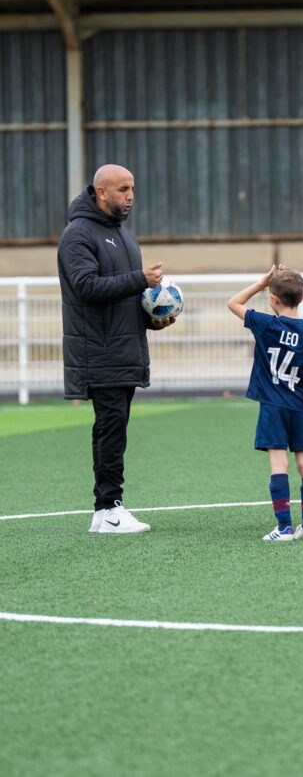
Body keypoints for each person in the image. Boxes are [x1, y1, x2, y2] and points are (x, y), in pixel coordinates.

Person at [57, 164, 174, 535]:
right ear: (101, 192)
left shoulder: (123, 233)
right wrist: (141, 278)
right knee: (110, 427)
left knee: (115, 426)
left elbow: (123, 298)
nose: (131, 196)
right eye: (123, 189)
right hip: (98, 351)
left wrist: (150, 320)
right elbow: (87, 288)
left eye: (132, 188)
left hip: (124, 347)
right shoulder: (77, 234)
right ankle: (108, 508)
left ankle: (107, 508)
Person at [227, 265, 303, 542]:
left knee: (279, 464)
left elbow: (233, 303)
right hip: (301, 407)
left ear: (273, 298)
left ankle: (284, 527)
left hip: (273, 407)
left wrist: (261, 283)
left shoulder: (266, 324)